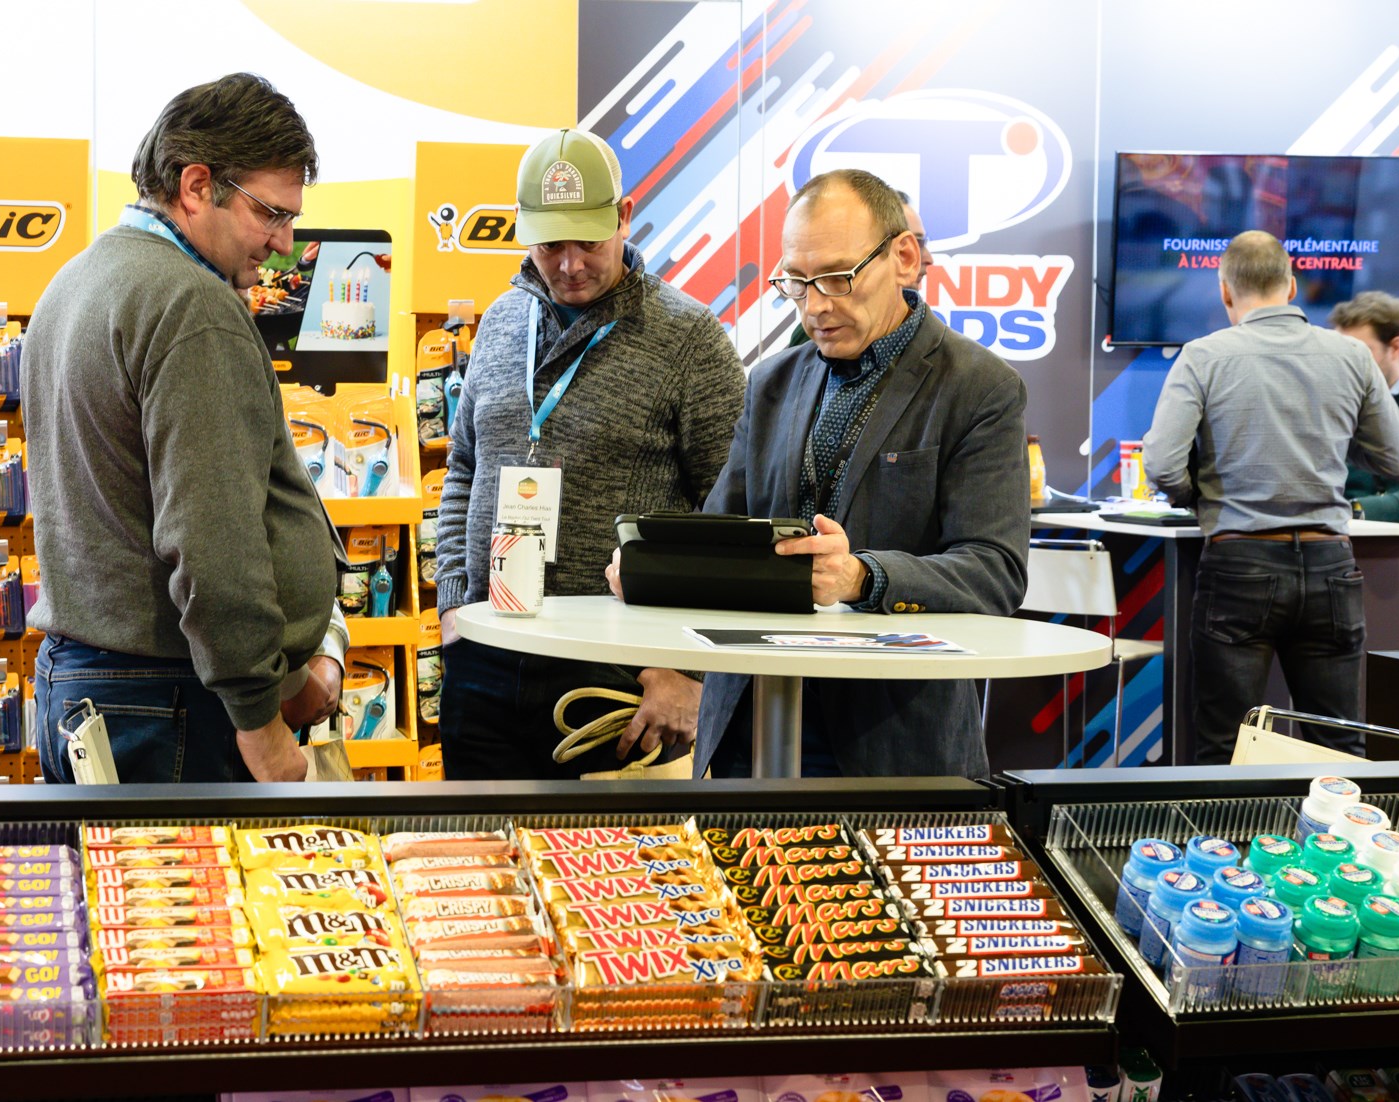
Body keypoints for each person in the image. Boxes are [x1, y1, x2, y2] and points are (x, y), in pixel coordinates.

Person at [22, 73, 347, 784]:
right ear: (197, 186)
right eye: (271, 213)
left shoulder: (76, 280)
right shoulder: (190, 305)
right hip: (171, 703)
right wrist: (261, 723)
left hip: (97, 686)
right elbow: (212, 540)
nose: (285, 243)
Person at [667, 168, 1029, 779]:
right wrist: (656, 564)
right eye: (796, 283)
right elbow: (720, 532)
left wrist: (863, 576)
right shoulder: (771, 382)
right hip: (750, 721)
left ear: (904, 257)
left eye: (838, 278)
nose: (816, 306)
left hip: (891, 736)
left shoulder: (980, 388)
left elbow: (994, 571)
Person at [435, 127, 746, 779]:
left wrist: (689, 670)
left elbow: (733, 516)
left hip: (621, 676)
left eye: (589, 242)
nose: (571, 264)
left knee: (610, 850)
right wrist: (453, 606)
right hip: (484, 657)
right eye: (551, 244)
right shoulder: (500, 323)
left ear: (624, 217)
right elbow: (463, 468)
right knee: (481, 843)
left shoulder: (690, 339)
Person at [1143, 231, 1399, 764]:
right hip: (1331, 566)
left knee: (1225, 746)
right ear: (1291, 287)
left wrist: (1202, 500)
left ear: (1224, 291)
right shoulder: (1352, 356)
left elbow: (1163, 464)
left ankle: (1231, 826)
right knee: (1339, 747)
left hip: (1238, 564)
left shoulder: (1203, 356)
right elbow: (1397, 460)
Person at [788, 191, 931, 347]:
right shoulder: (821, 331)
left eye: (921, 242)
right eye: (797, 279)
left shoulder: (947, 355)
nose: (813, 308)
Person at [1332, 291, 1399, 520]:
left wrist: (1358, 510)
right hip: (1338, 532)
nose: (1347, 364)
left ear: (1396, 348)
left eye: (1359, 352)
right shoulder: (1331, 400)